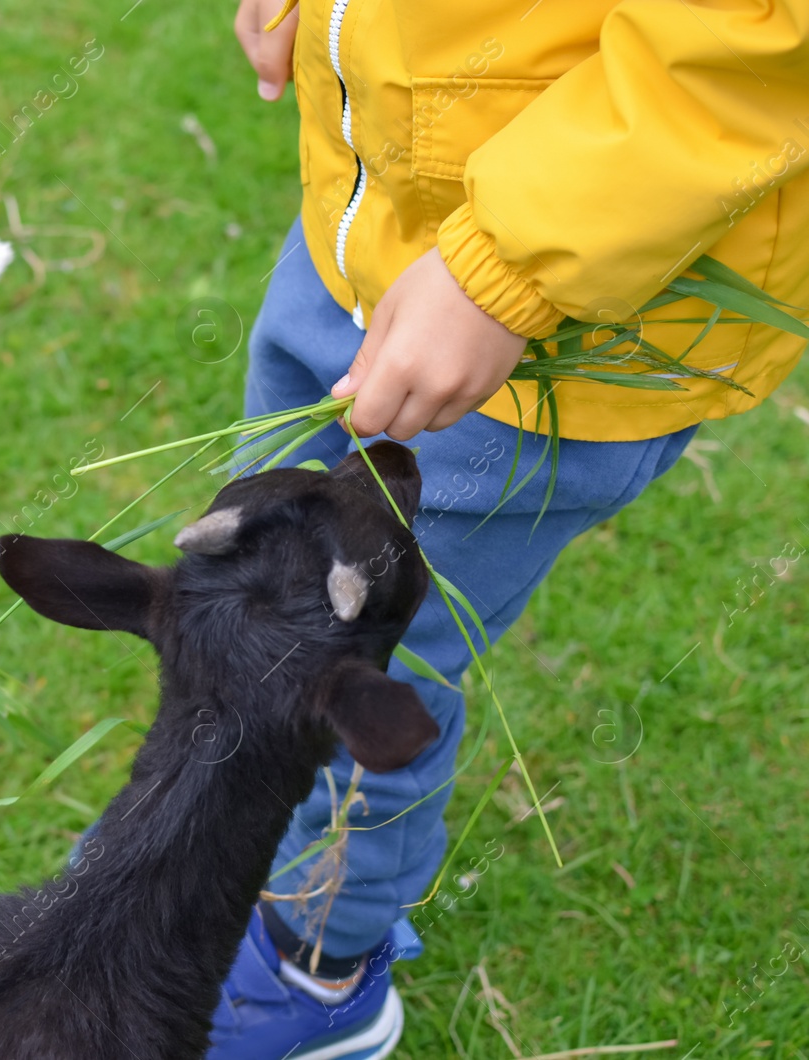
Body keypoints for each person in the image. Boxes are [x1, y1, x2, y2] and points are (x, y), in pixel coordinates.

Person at [211, 0, 809, 1055]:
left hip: (545, 339)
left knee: (368, 656)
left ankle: (320, 967)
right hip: (367, 222)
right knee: (256, 573)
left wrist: (504, 271)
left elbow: (740, 50)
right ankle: (219, 842)